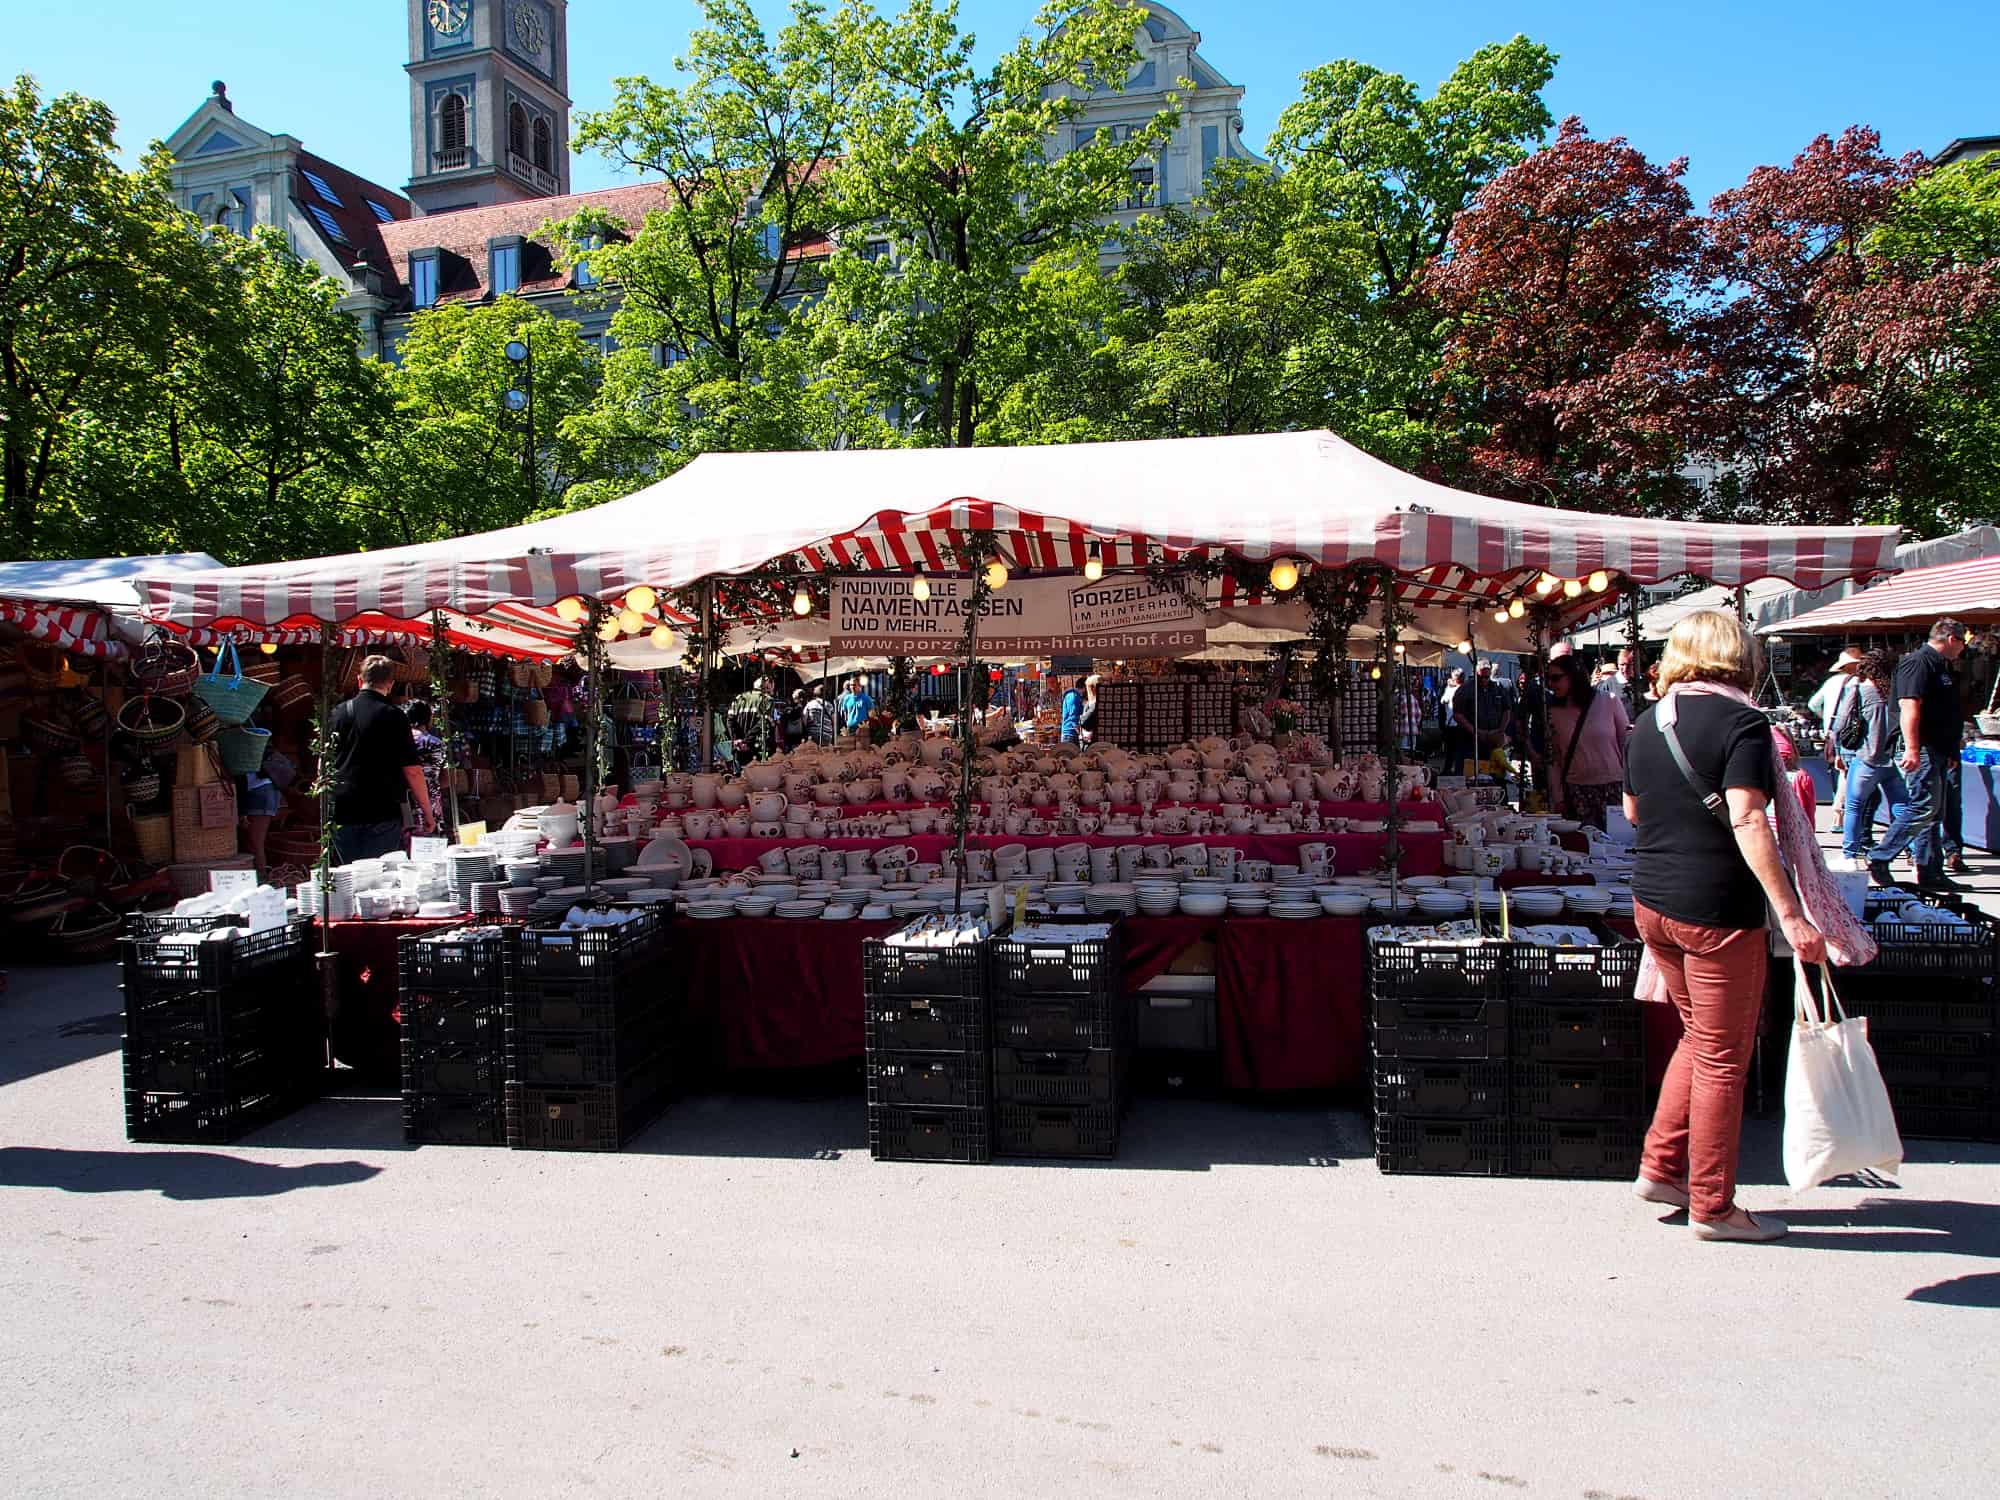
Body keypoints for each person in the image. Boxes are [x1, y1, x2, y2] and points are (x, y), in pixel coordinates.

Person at [1623, 610, 1826, 1243]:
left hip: (1654, 901)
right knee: (1721, 1057)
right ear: (1740, 658)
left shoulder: (1649, 723)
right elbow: (1747, 818)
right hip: (1716, 908)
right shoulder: (1744, 721)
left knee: (1698, 1038)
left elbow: (1633, 812)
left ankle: (1662, 1166)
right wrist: (1791, 912)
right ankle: (1713, 1203)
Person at [1867, 617, 1969, 891]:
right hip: (1921, 747)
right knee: (1923, 805)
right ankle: (1879, 856)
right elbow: (1909, 706)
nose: (1963, 649)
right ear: (1951, 639)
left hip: (1935, 748)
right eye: (1962, 642)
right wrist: (1912, 748)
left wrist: (1948, 749)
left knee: (1933, 812)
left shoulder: (1940, 666)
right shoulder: (1919, 662)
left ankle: (1930, 871)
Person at [329, 655, 432, 862]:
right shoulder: (394, 716)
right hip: (382, 808)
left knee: (349, 877)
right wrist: (427, 812)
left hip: (343, 808)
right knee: (379, 879)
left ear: (359, 680)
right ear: (391, 684)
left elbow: (324, 764)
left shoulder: (338, 713)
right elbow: (413, 770)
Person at [1833, 647, 1905, 862]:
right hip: (1894, 756)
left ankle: (1850, 855)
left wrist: (1838, 747)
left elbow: (1842, 722)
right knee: (1902, 807)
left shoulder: (1859, 688)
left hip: (1867, 755)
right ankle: (1910, 852)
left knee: (1855, 806)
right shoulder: (1897, 690)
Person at [1544, 653, 1631, 830]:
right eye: (1548, 678)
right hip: (1577, 792)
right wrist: (1559, 798)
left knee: (1617, 846)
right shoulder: (1552, 713)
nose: (1550, 684)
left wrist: (1631, 789)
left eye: (1556, 678)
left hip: (1613, 789)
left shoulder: (1610, 701)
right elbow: (1554, 759)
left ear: (1573, 676)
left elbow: (1627, 745)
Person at [1453, 661, 1515, 771]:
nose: (1484, 680)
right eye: (1481, 677)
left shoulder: (1498, 688)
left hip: (1493, 741)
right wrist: (1476, 731)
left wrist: (1501, 731)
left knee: (1493, 773)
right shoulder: (1465, 689)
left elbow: (1507, 710)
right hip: (1470, 741)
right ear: (1476, 674)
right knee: (1469, 773)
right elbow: (1458, 715)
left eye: (1487, 677)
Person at [404, 700, 447, 831]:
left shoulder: (400, 742)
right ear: (429, 718)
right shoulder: (436, 744)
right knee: (430, 843)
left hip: (405, 800)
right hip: (430, 799)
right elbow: (445, 778)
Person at [727, 676, 776, 761]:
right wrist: (746, 741)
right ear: (767, 686)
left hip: (738, 748)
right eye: (772, 686)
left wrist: (736, 740)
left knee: (739, 773)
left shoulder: (739, 698)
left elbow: (730, 721)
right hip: (758, 748)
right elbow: (763, 722)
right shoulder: (767, 700)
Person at [801, 680, 837, 746]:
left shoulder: (809, 705)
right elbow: (834, 722)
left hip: (812, 736)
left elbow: (804, 720)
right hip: (826, 736)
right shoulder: (829, 705)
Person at [1077, 674, 1101, 745]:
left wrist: (1080, 719)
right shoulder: (1093, 702)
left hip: (1094, 742)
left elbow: (1084, 722)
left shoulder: (1095, 703)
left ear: (1093, 688)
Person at [1060, 678, 1084, 744]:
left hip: (1072, 734)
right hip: (1069, 735)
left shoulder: (1077, 696)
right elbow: (1073, 716)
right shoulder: (1073, 696)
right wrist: (1080, 733)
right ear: (1084, 688)